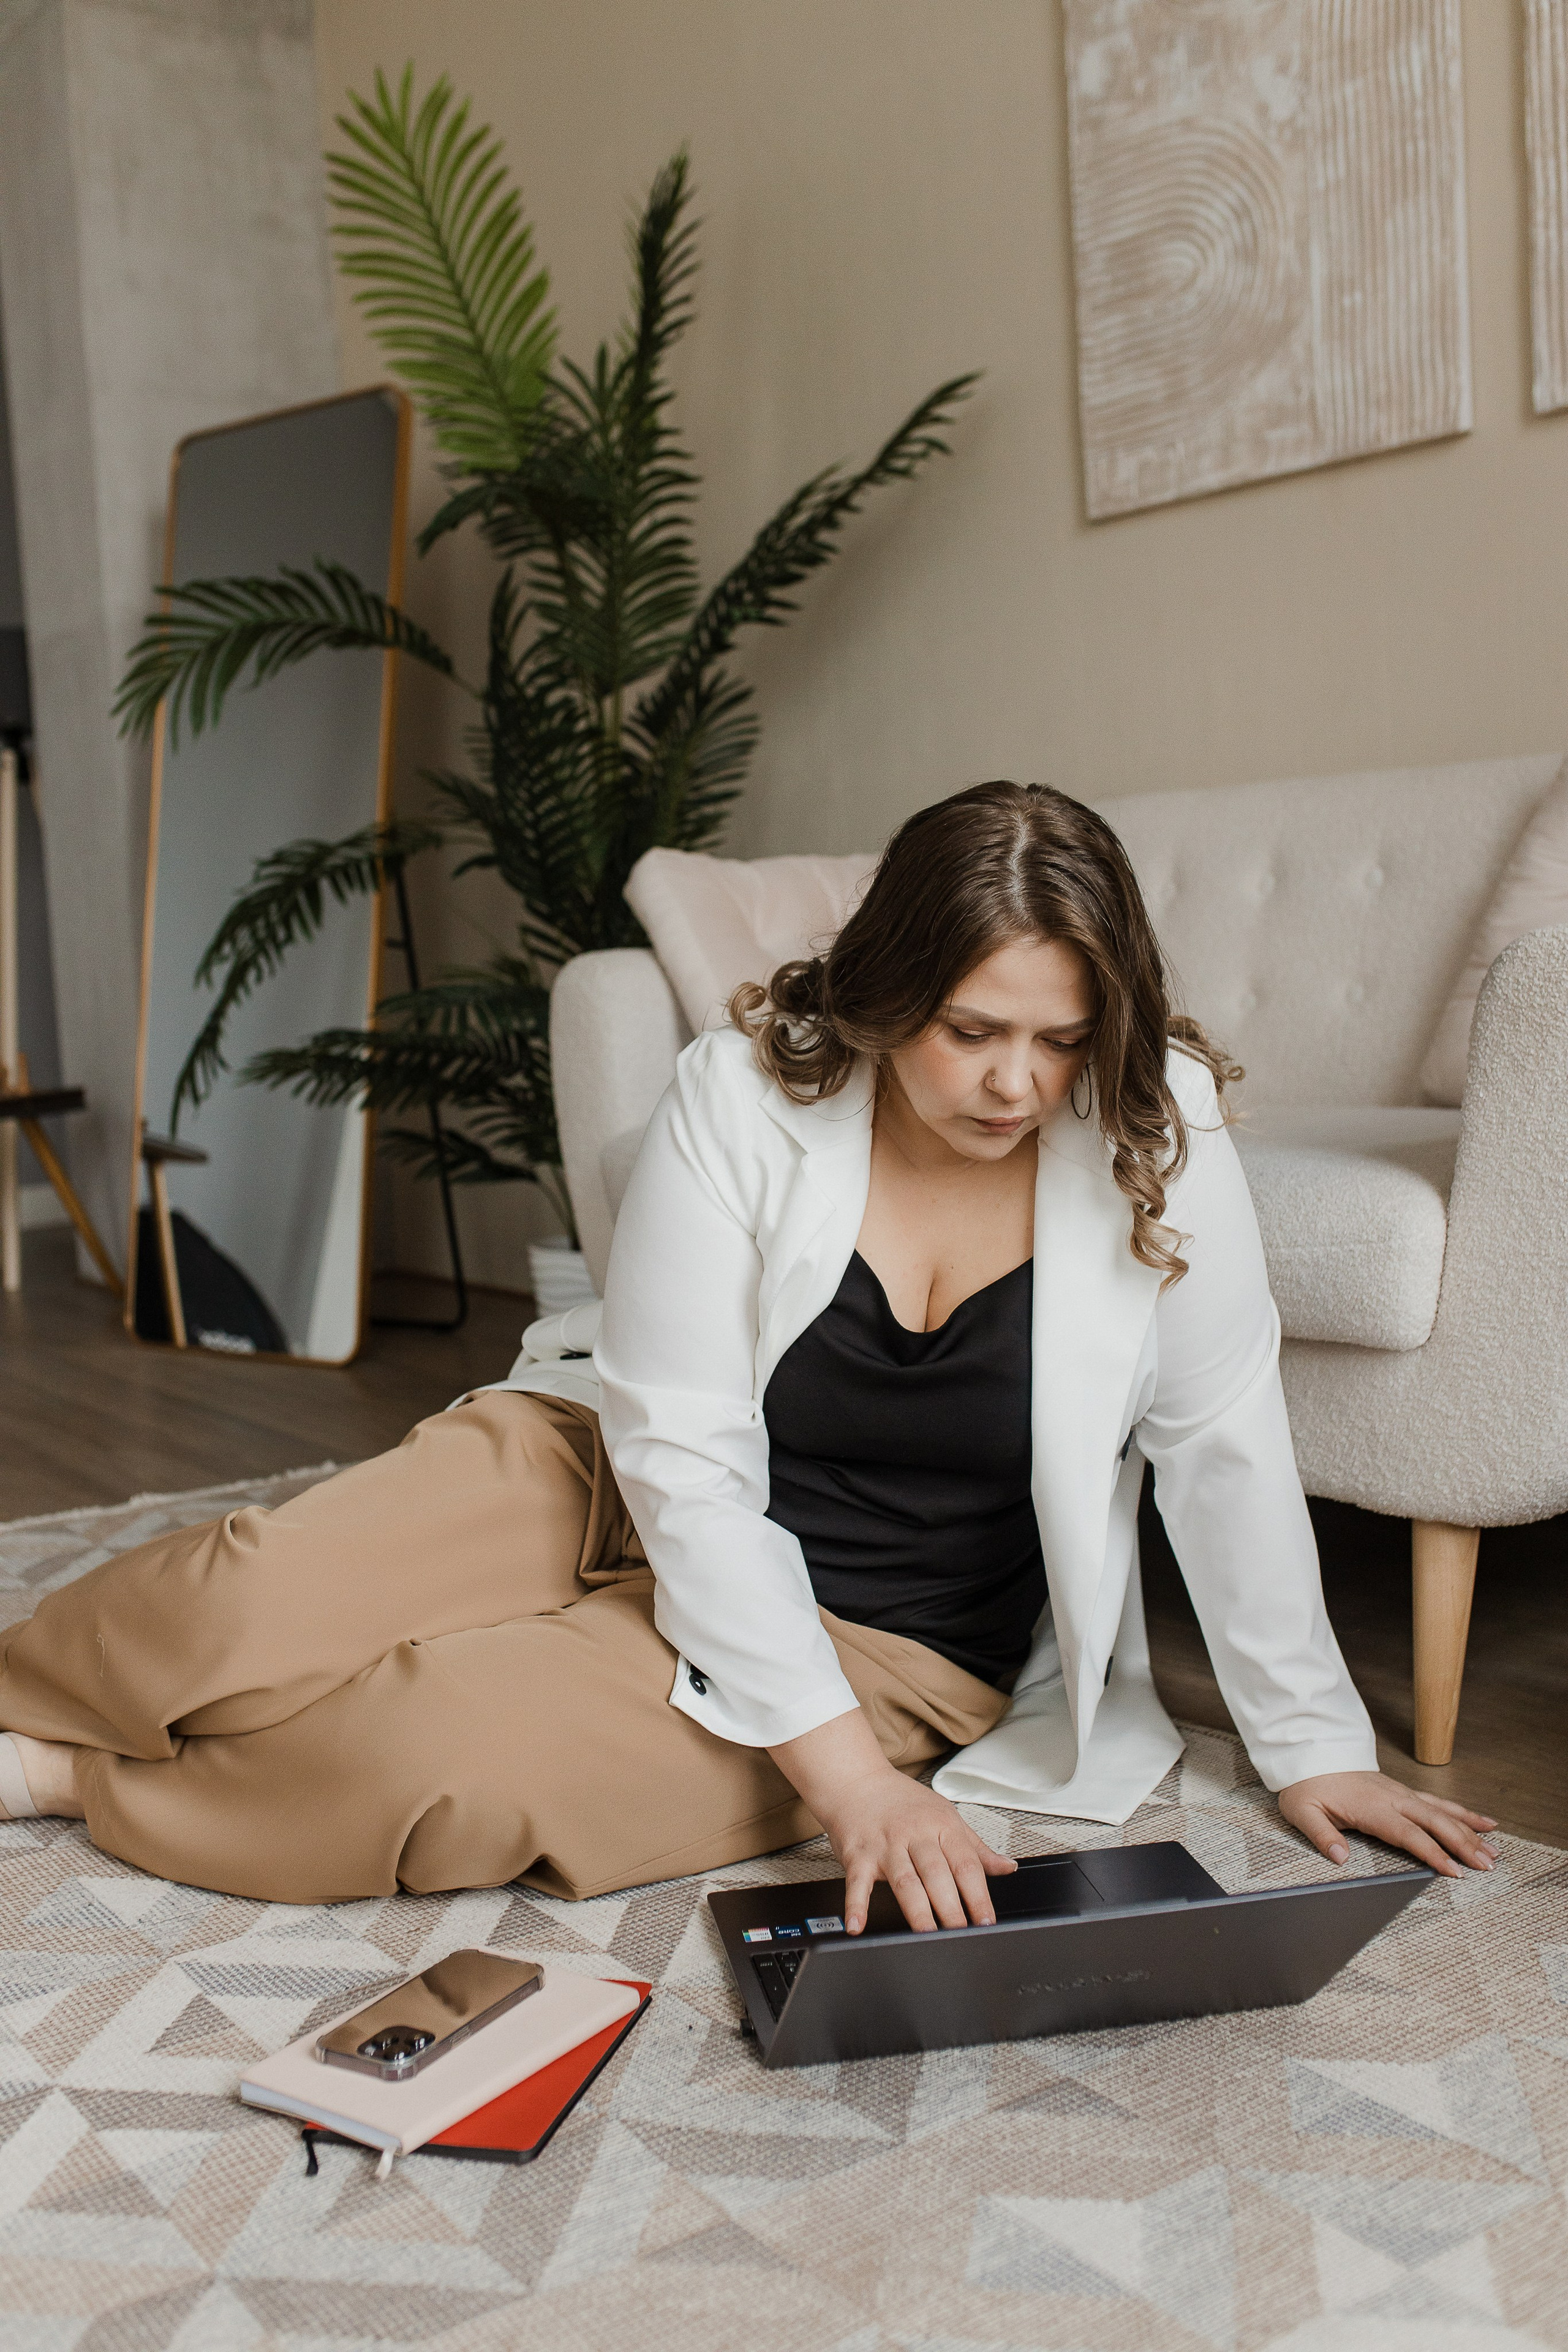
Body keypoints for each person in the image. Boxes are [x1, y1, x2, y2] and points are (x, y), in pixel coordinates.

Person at [0, 783, 1496, 1931]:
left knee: (435, 1756)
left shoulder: (1154, 1119)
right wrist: (846, 1797)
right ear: (886, 992)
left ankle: (68, 1776)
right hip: (607, 1468)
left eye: (1059, 1040)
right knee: (249, 1596)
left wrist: (1309, 1746)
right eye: (971, 1030)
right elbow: (682, 1456)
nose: (1016, 1084)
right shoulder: (739, 1091)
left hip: (886, 1635)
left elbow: (1223, 1445)